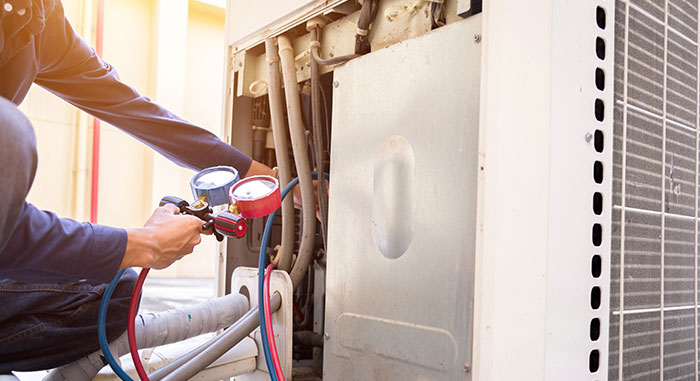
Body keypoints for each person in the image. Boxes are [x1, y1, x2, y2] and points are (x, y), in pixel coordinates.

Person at [0, 0, 274, 372]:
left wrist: (254, 171)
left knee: (112, 294)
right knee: (10, 134)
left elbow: (136, 110)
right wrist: (143, 243)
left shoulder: (39, 16)